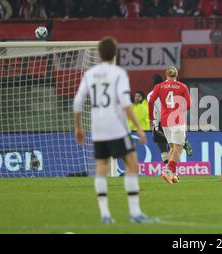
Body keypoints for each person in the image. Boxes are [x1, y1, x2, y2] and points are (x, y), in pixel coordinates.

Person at [73, 37, 156, 224]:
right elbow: (126, 103)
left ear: (100, 54)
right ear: (115, 53)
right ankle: (135, 213)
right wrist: (139, 129)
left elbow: (77, 102)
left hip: (97, 128)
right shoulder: (118, 73)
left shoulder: (90, 74)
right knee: (132, 164)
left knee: (101, 168)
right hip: (117, 127)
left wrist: (78, 128)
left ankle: (105, 215)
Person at [148, 66, 191, 184]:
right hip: (177, 119)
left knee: (172, 147)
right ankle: (167, 172)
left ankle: (172, 175)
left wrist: (151, 118)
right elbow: (188, 105)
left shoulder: (159, 87)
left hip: (165, 120)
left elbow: (151, 101)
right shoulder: (183, 87)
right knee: (178, 148)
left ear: (166, 74)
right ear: (176, 75)